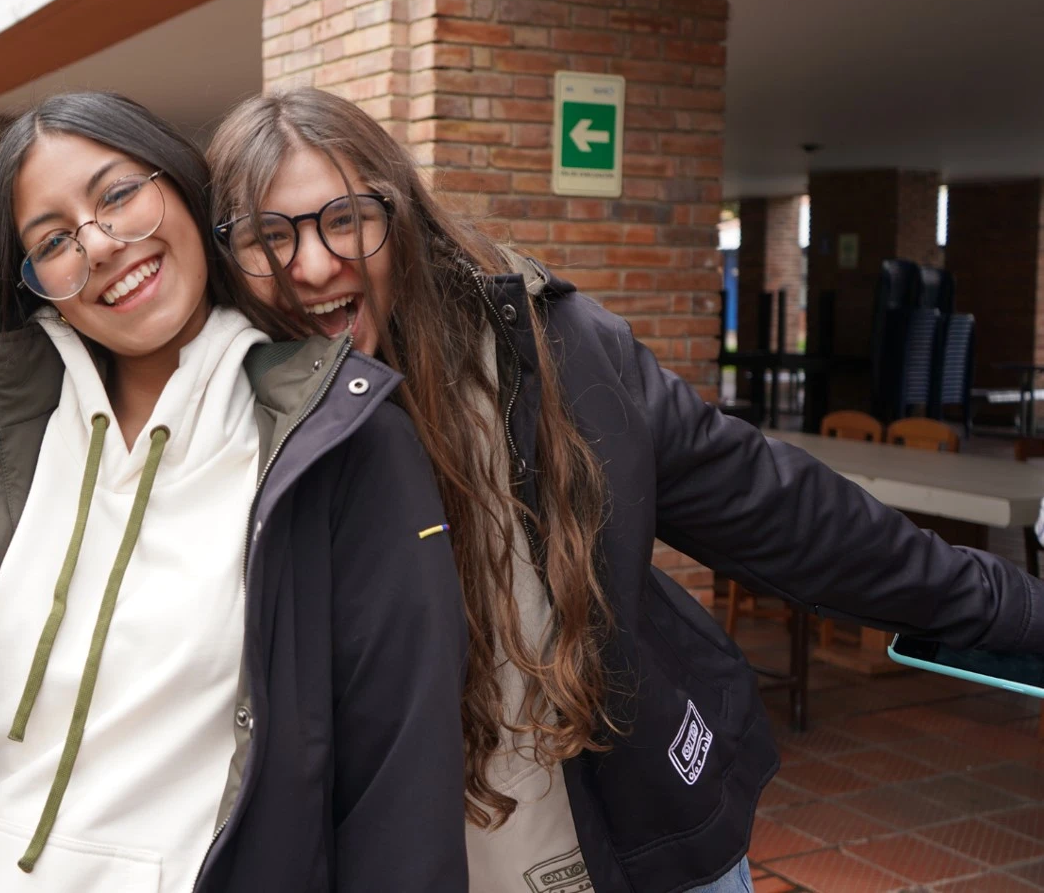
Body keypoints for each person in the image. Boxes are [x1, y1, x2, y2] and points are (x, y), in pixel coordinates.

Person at [205, 87, 1044, 893]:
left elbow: (780, 509)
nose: (313, 264)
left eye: (347, 219)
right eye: (267, 236)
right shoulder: (218, 435)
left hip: (635, 843)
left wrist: (1017, 611)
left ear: (402, 215)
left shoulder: (554, 352)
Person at [0, 91, 468, 893]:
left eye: (119, 194)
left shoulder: (336, 444)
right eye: (54, 239)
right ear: (38, 281)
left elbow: (398, 779)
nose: (98, 243)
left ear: (183, 190)